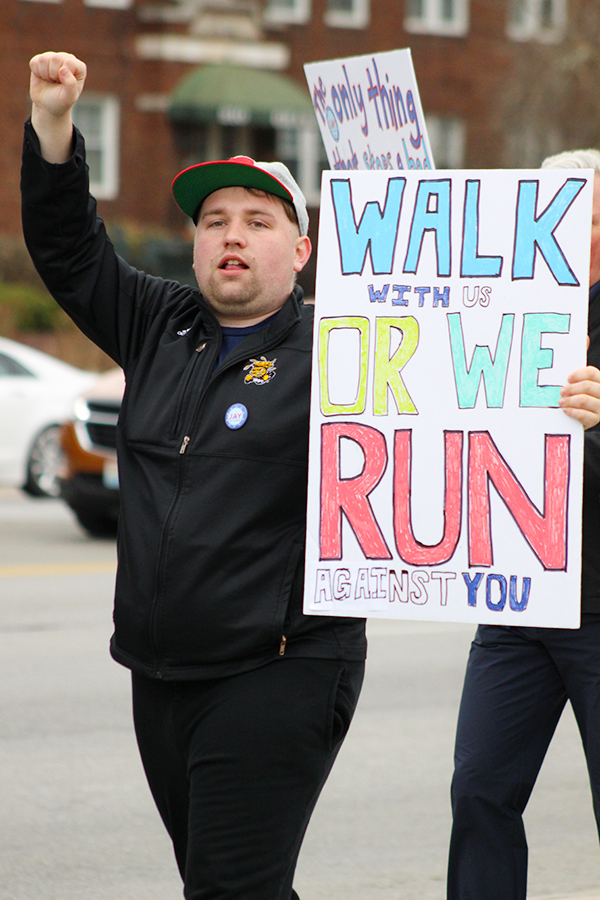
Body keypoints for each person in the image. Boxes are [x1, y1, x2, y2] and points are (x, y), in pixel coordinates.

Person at [22, 52, 367, 900]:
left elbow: (467, 403)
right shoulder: (156, 322)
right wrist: (54, 121)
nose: (232, 236)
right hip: (159, 671)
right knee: (222, 883)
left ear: (302, 246)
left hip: (279, 669)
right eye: (215, 220)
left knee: (229, 888)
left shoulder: (349, 349)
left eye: (256, 219)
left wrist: (567, 401)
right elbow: (67, 249)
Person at [447, 148, 600, 900]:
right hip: (516, 604)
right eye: (545, 215)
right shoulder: (490, 307)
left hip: (599, 611)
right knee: (478, 792)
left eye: (581, 215)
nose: (560, 231)